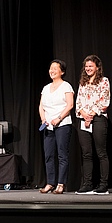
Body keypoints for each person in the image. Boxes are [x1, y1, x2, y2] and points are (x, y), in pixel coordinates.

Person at [75, 55, 110, 195]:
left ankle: (103, 184)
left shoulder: (103, 81)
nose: (88, 68)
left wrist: (91, 114)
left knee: (101, 153)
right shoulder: (83, 82)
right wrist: (84, 114)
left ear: (97, 67)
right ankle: (87, 183)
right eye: (86, 66)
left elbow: (104, 100)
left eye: (91, 66)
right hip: (83, 120)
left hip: (98, 118)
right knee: (86, 154)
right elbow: (78, 102)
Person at [39, 59, 74, 194]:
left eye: (55, 68)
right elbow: (41, 106)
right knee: (48, 155)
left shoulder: (66, 86)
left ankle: (61, 183)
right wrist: (43, 119)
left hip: (62, 124)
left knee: (62, 155)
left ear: (62, 71)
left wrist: (58, 118)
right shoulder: (46, 88)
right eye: (50, 68)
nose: (52, 71)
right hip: (48, 125)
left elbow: (69, 105)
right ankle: (50, 183)